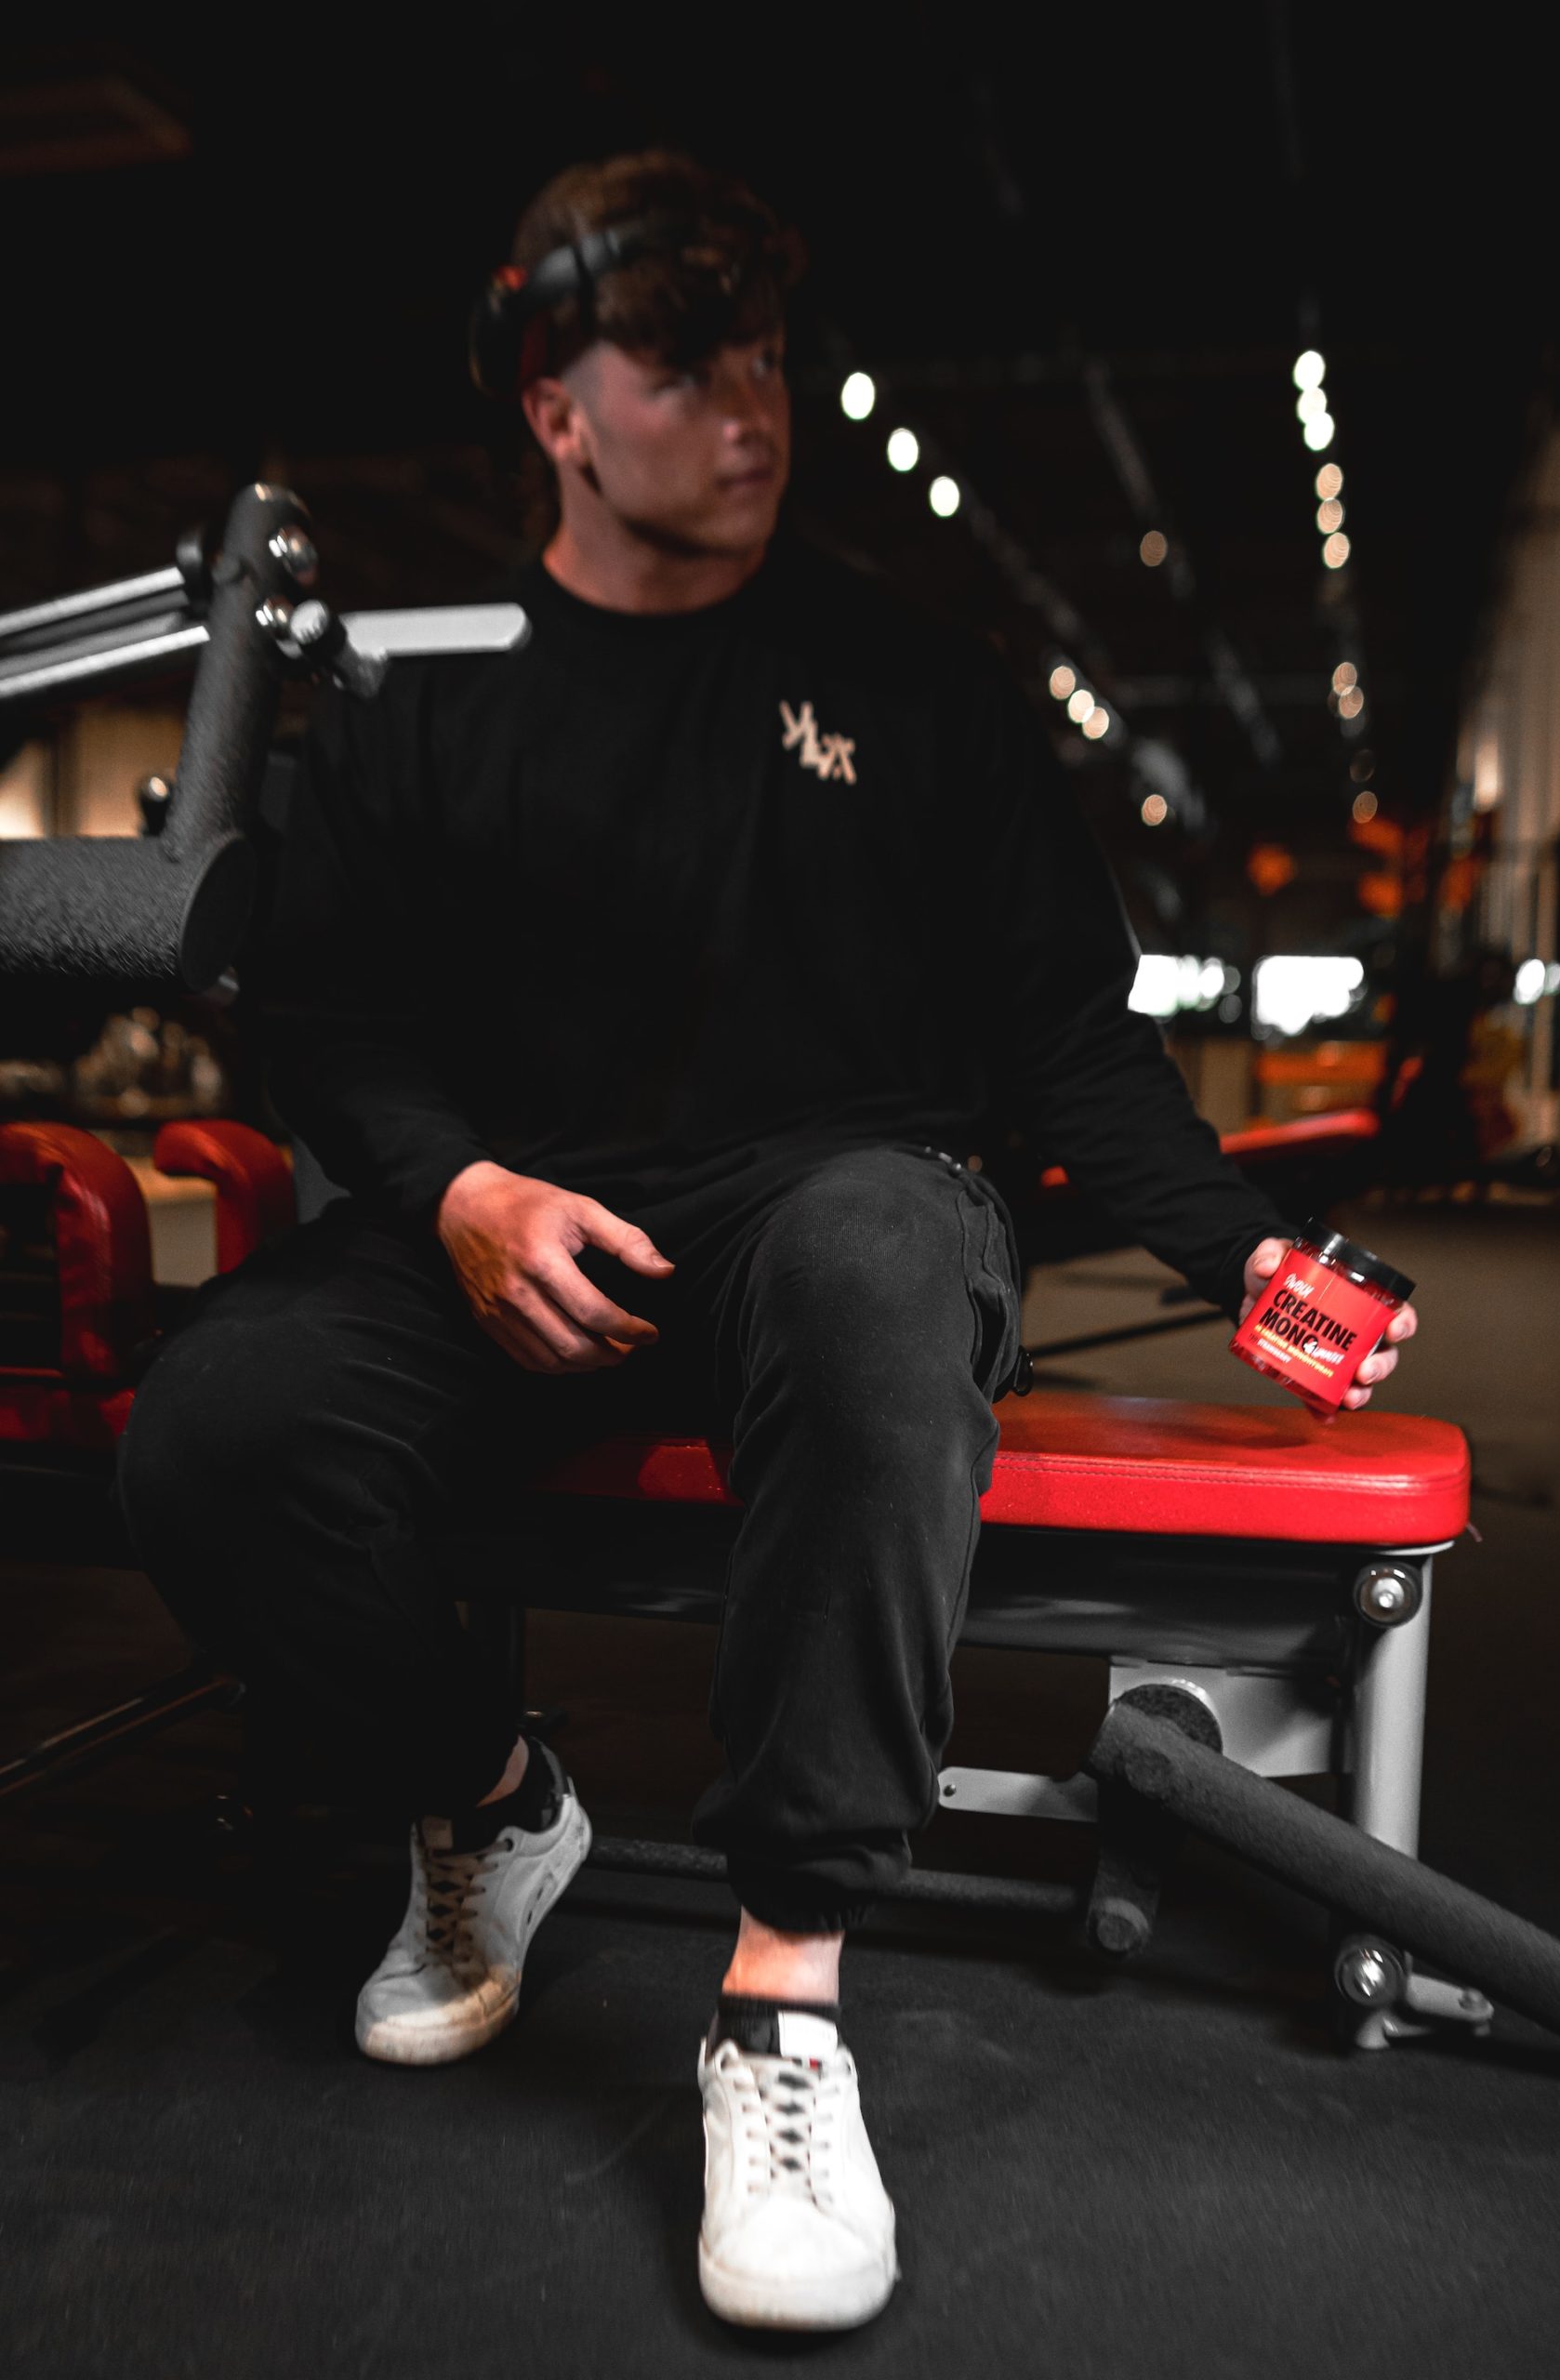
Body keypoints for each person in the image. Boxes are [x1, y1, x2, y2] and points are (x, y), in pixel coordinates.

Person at [116, 150, 1419, 2334]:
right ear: (552, 401)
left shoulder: (913, 694)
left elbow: (1068, 1051)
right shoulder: (425, 690)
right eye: (681, 356)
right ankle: (488, 1805)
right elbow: (320, 1011)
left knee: (879, 1259)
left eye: (769, 353)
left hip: (818, 1209)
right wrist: (454, 1190)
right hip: (514, 1218)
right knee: (212, 1428)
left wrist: (1236, 1249)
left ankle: (778, 1992)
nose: (751, 400)